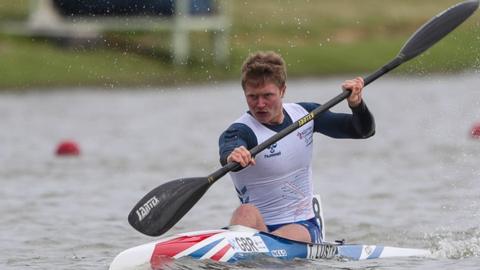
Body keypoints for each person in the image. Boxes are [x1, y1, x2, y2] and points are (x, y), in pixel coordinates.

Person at [218, 51, 375, 243]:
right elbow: (228, 150)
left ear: (282, 90)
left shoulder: (306, 114)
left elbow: (363, 131)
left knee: (276, 239)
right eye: (253, 97)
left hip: (302, 226)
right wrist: (234, 156)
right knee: (245, 212)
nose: (260, 104)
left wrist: (357, 105)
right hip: (256, 227)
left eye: (268, 95)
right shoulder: (240, 132)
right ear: (245, 93)